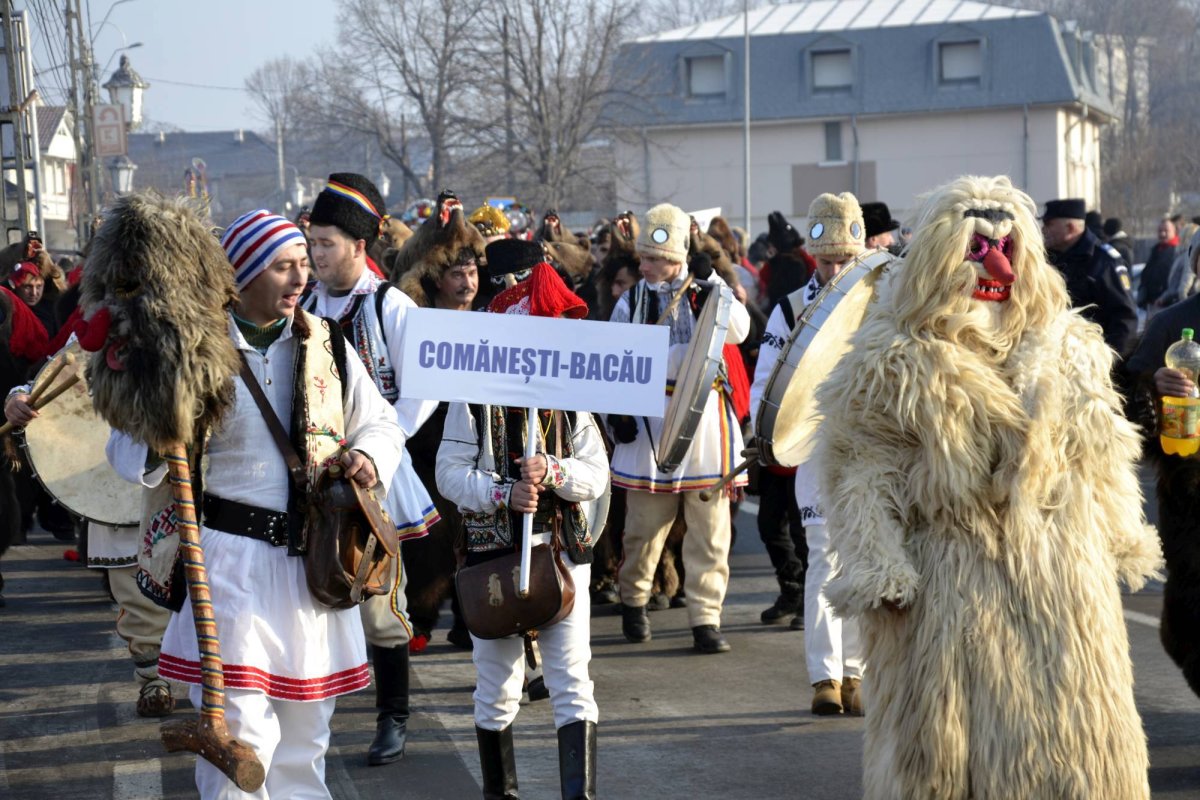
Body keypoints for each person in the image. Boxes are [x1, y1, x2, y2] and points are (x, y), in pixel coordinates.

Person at [819, 175, 1159, 799]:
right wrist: (877, 562)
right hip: (950, 585)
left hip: (1063, 581)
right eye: (976, 252)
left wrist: (1122, 531)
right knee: (950, 757)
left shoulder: (1071, 346)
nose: (994, 267)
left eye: (1007, 251)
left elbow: (1103, 448)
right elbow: (858, 463)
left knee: (1075, 747)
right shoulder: (893, 355)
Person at [109, 207, 404, 799]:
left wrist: (369, 455)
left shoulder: (329, 344)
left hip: (312, 568)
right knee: (240, 736)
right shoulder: (191, 351)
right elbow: (122, 452)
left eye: (304, 265)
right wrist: (158, 432)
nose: (301, 279)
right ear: (241, 276)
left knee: (306, 737)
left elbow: (382, 423)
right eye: (282, 267)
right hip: (226, 565)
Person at [436, 261, 605, 800]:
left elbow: (597, 475)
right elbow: (448, 474)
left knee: (572, 681)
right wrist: (502, 491)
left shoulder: (570, 395)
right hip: (493, 558)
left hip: (560, 556)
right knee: (497, 688)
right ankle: (500, 793)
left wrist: (553, 471)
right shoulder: (472, 394)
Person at [300, 173, 441, 766]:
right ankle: (306, 712)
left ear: (360, 246)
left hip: (377, 474)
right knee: (309, 594)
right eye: (312, 243)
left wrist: (380, 446)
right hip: (311, 477)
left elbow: (423, 389)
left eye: (326, 243)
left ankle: (393, 716)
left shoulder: (392, 305)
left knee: (381, 603)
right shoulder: (302, 306)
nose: (315, 255)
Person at [608, 202, 750, 654]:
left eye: (651, 259)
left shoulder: (706, 290)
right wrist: (619, 412)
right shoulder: (631, 299)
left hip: (704, 419)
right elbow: (614, 356)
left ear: (676, 258)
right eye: (643, 258)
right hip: (649, 421)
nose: (643, 266)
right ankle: (634, 601)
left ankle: (706, 618)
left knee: (711, 530)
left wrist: (714, 287)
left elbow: (740, 332)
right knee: (643, 527)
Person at [752, 192, 867, 712]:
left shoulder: (881, 301)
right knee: (823, 557)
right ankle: (825, 679)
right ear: (813, 257)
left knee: (867, 557)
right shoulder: (790, 308)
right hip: (818, 446)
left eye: (845, 259)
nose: (837, 268)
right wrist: (767, 434)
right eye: (827, 260)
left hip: (872, 447)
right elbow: (766, 382)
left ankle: (857, 673)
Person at [1042, 198, 1138, 357]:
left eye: (1049, 224)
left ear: (1070, 228)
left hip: (1092, 360)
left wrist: (1112, 364)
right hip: (1053, 357)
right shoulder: (1047, 259)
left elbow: (1125, 318)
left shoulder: (1104, 262)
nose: (1043, 229)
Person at [1137, 217, 1180, 320]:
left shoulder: (1178, 251)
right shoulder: (1156, 250)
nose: (1163, 234)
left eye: (1166, 231)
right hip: (1152, 303)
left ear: (1174, 231)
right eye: (1160, 231)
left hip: (1169, 304)